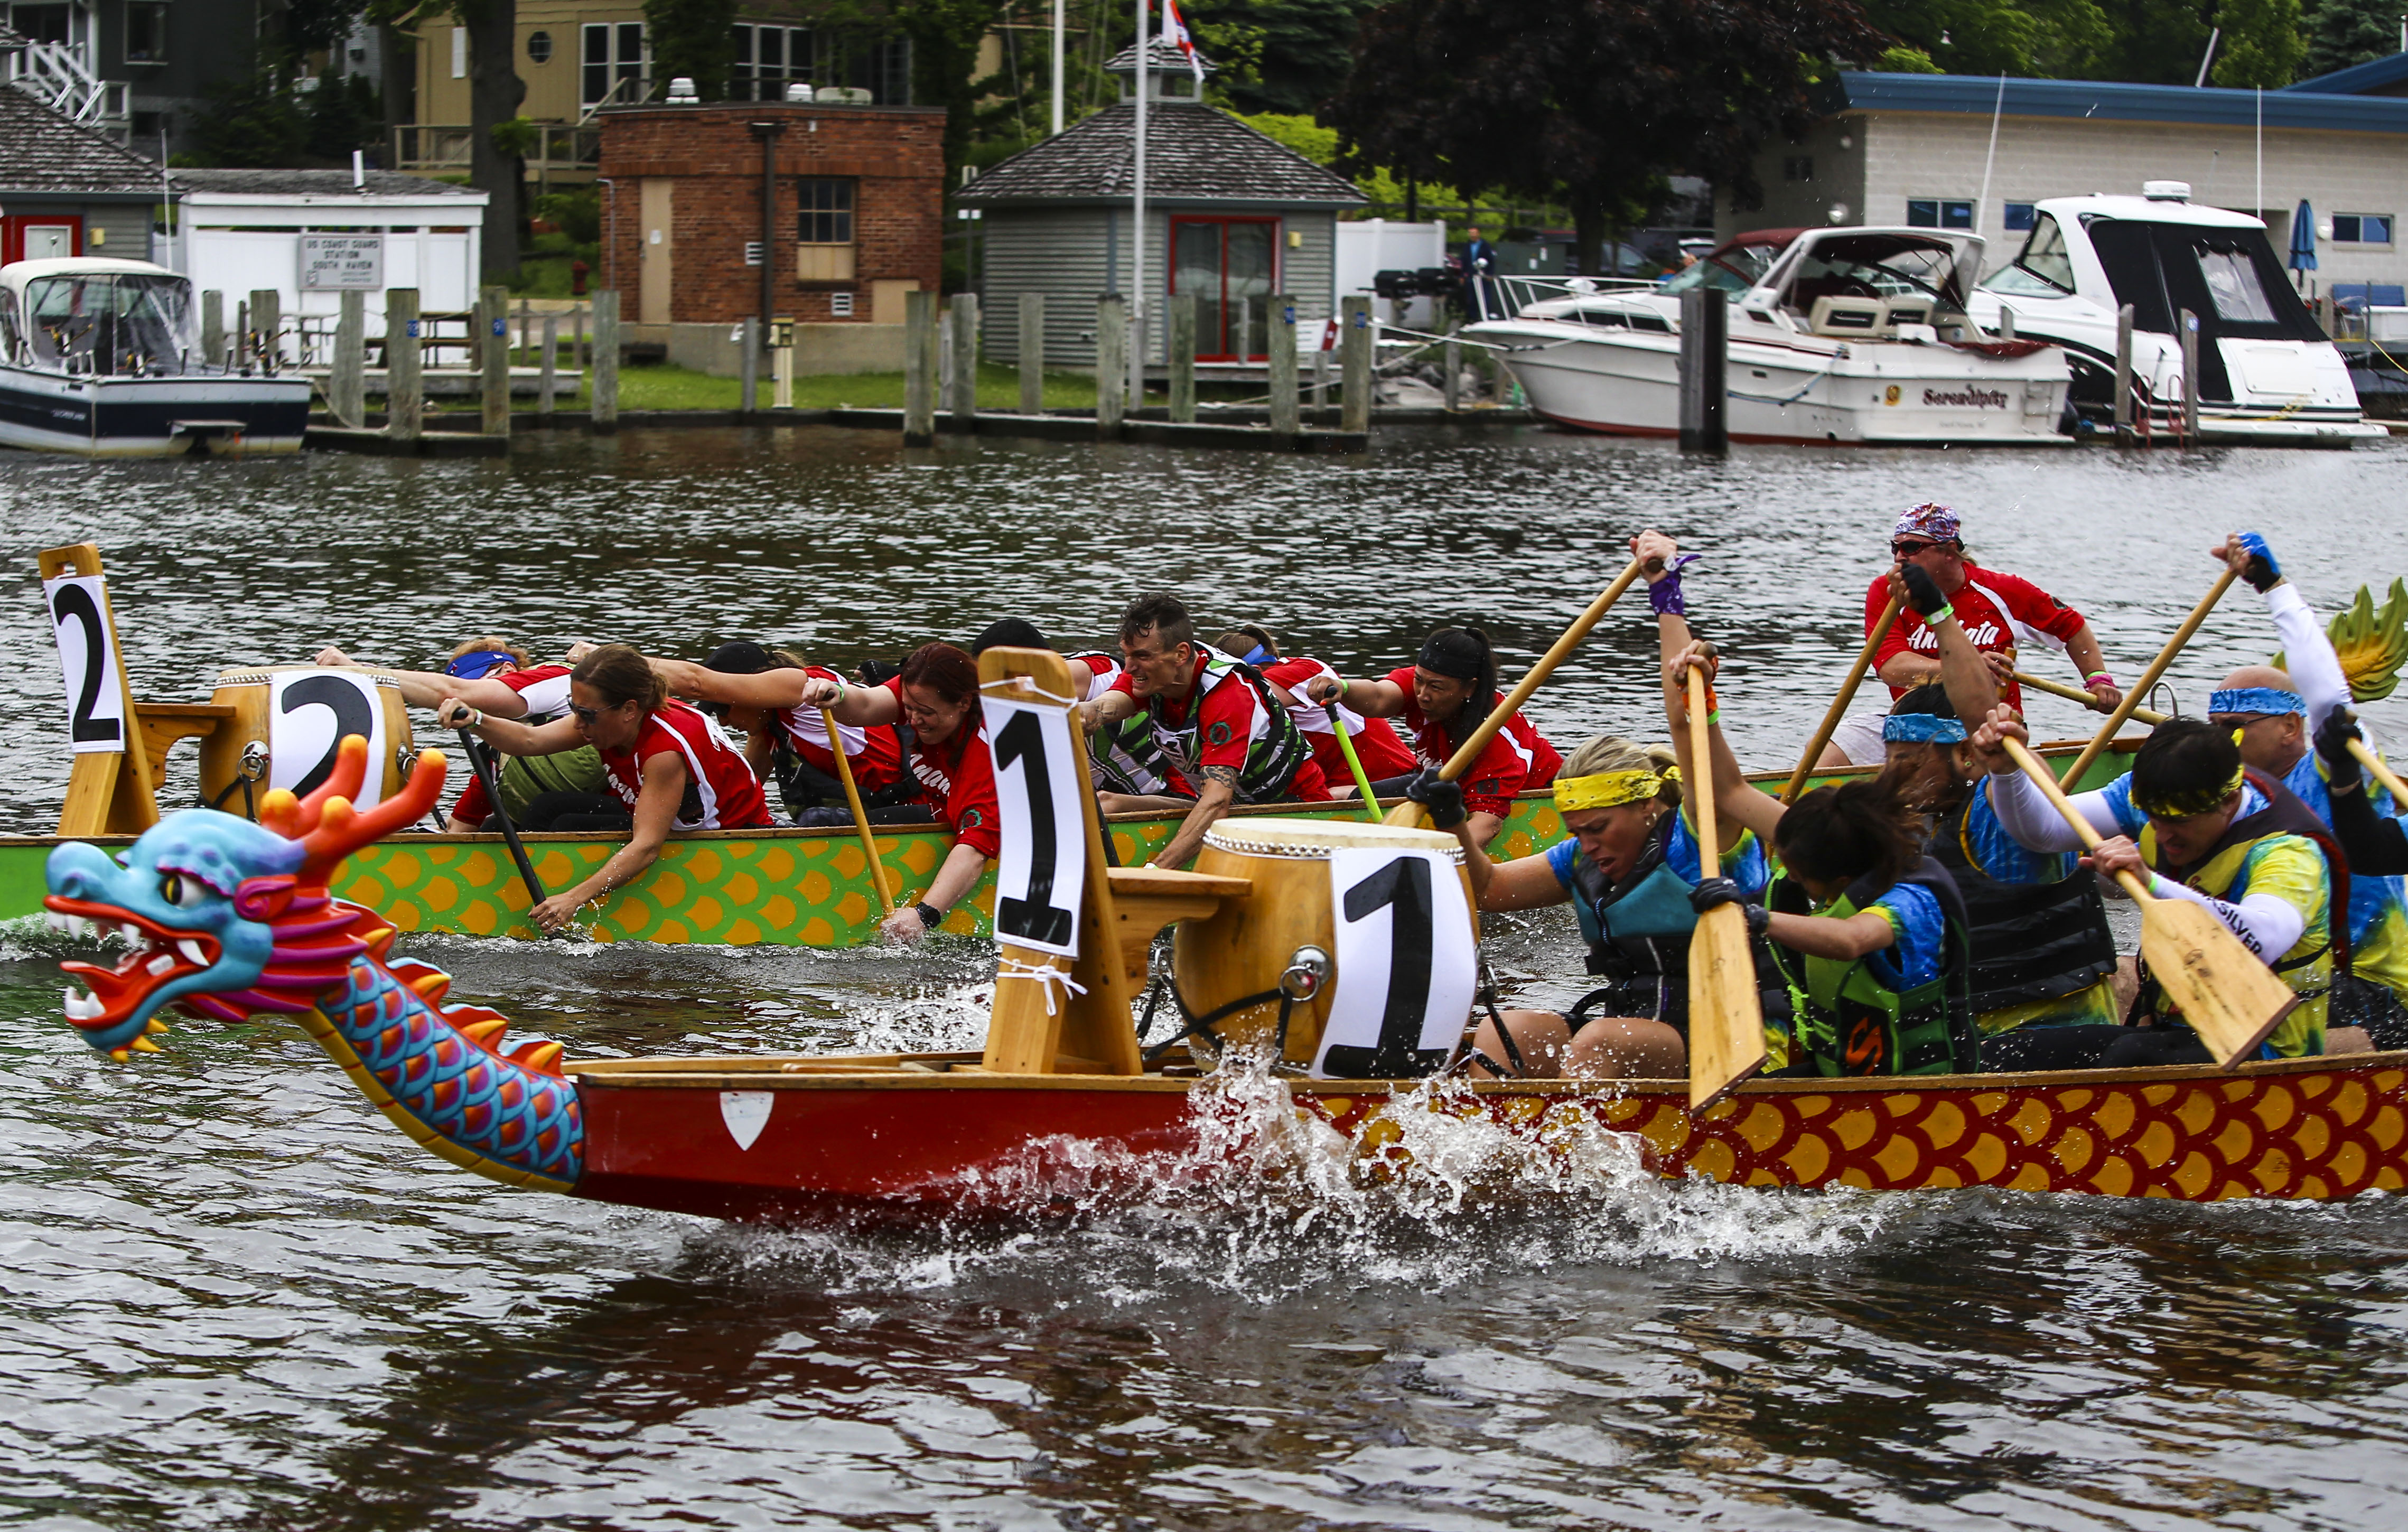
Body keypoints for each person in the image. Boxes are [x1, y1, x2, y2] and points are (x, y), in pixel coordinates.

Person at [1654, 551, 1978, 1078]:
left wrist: (1754, 916)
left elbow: (1849, 938)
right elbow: (1728, 790)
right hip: (1843, 1077)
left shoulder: (1914, 895)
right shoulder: (1829, 836)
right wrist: (1705, 705)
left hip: (1923, 1095)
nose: (1798, 884)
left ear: (1843, 879)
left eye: (1804, 882)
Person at [1968, 708, 2336, 1064]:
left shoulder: (2289, 853)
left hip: (2268, 1047)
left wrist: (2151, 881)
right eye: (2153, 820)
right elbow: (2042, 833)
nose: (2161, 836)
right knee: (2006, 1054)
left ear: (2228, 801)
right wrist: (2008, 775)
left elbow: (2265, 935)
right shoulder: (2157, 794)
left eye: (2178, 823)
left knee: (2129, 1057)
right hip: (2179, 1025)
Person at [1423, 732, 1767, 1080]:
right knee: (1506, 1032)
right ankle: (1507, 1132)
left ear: (1644, 805)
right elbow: (1489, 891)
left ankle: (1570, 1132)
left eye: (1598, 828)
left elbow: (1724, 785)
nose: (1586, 846)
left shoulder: (1702, 838)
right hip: (1635, 1030)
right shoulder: (1577, 857)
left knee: (1600, 1041)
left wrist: (1686, 712)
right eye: (1576, 832)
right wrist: (1452, 822)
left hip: (1735, 1038)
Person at [2200, 530, 2408, 1050]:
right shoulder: (2227, 791)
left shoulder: (2334, 764)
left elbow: (2328, 700)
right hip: (2297, 968)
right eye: (2214, 727)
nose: (2222, 740)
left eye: (2236, 726)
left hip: (2373, 986)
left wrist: (2273, 587)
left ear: (2292, 728)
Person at [436, 644, 772, 933]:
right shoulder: (611, 716)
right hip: (671, 821)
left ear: (629, 709)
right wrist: (477, 719)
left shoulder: (664, 752)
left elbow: (646, 848)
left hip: (732, 843)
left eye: (585, 714)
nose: (578, 723)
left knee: (565, 825)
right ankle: (523, 904)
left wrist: (574, 899)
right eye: (573, 709)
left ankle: (552, 906)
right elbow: (529, 740)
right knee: (527, 815)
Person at [1822, 503, 2125, 767]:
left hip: (1989, 725)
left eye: (1913, 547)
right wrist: (1970, 668)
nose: (1900, 557)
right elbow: (1892, 669)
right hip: (1910, 725)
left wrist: (2098, 679)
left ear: (1950, 552)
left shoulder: (2004, 590)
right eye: (1896, 547)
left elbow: (2072, 628)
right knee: (1828, 749)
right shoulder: (1888, 591)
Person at [1077, 594, 1329, 872]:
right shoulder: (1154, 673)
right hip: (1230, 806)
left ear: (1181, 654)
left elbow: (1216, 804)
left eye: (1141, 656)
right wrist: (1086, 715)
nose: (1129, 668)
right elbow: (1109, 705)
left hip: (1294, 810)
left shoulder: (1228, 696)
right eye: (1127, 655)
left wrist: (1155, 874)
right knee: (1106, 803)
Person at [800, 642, 1000, 944]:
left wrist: (924, 915)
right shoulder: (922, 689)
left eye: (926, 713)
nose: (914, 720)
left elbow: (974, 850)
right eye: (908, 709)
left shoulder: (988, 746)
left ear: (964, 703)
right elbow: (866, 705)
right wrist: (837, 693)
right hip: (944, 812)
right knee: (820, 821)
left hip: (1004, 832)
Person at [313, 636, 605, 832]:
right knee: (493, 828)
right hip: (578, 821)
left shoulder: (556, 679)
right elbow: (458, 829)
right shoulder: (495, 754)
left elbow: (449, 691)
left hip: (631, 811)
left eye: (475, 685)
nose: (466, 701)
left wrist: (359, 671)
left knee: (550, 809)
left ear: (506, 669)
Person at [1304, 625, 1560, 848]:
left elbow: (1486, 826)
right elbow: (1380, 698)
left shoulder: (1496, 736)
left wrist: (1425, 866)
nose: (1422, 695)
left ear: (1470, 687)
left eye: (1436, 687)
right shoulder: (1425, 685)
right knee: (1336, 795)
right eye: (1419, 681)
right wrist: (1344, 687)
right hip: (1448, 782)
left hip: (1531, 799)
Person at [644, 642, 909, 825]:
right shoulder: (769, 731)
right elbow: (740, 795)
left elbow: (695, 684)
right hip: (873, 813)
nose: (723, 721)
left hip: (910, 812)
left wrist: (611, 661)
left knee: (814, 820)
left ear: (751, 686)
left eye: (724, 706)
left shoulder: (804, 691)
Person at [971, 618, 1173, 797]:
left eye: (989, 676)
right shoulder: (1012, 709)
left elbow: (1054, 679)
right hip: (1106, 803)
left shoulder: (1093, 669)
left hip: (1171, 794)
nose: (985, 685)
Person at [1210, 625, 1418, 795]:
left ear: (1254, 673)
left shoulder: (1303, 671)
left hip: (1391, 783)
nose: (1212, 691)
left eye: (1217, 683)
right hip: (1337, 787)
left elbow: (1227, 708)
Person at [1459, 226, 1500, 321]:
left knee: (1485, 296)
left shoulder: (1485, 245)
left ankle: (1485, 316)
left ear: (1478, 234)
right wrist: (1462, 275)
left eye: (1474, 233)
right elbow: (1464, 261)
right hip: (1471, 275)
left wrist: (1490, 274)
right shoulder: (1467, 246)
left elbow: (1491, 260)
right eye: (1471, 233)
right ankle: (1472, 318)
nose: (1472, 235)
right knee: (1471, 297)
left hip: (1483, 275)